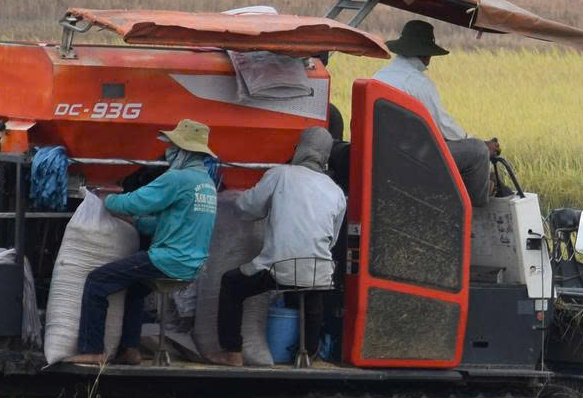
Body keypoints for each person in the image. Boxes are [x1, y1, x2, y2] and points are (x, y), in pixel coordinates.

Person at [72, 119, 220, 365]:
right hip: (191, 264)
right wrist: (138, 224)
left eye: (173, 146)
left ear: (184, 150)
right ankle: (130, 349)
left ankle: (93, 350)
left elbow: (137, 202)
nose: (168, 151)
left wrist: (105, 199)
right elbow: (174, 223)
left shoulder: (178, 179)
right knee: (135, 289)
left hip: (168, 260)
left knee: (97, 280)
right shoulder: (206, 183)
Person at [210, 125, 344, 367]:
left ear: (300, 149)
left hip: (279, 267)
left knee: (232, 284)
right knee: (312, 294)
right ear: (325, 156)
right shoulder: (335, 191)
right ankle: (307, 355)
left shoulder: (280, 174)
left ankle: (232, 352)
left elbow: (247, 208)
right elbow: (331, 239)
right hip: (319, 270)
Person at [372, 19, 496, 202]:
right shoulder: (418, 83)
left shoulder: (378, 76)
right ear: (426, 54)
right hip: (408, 160)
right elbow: (446, 129)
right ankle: (476, 210)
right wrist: (481, 143)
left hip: (380, 155)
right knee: (477, 151)